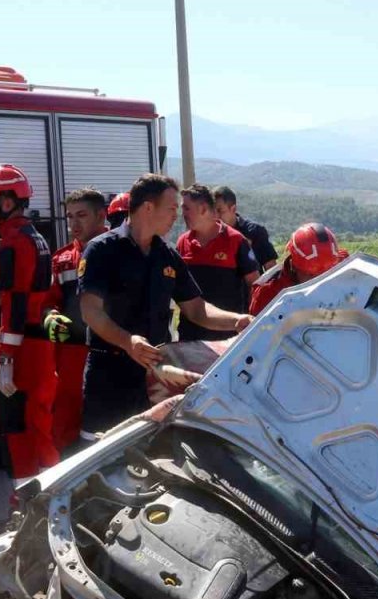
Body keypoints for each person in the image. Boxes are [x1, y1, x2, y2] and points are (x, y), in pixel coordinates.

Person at [78, 173, 253, 435]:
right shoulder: (102, 250)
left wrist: (237, 320)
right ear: (148, 207)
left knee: (149, 456)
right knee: (101, 454)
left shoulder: (167, 255)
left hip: (154, 376)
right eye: (172, 208)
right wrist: (128, 342)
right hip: (109, 373)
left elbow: (196, 309)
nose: (176, 216)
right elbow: (91, 311)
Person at [0, 164, 58, 506]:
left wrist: (6, 357)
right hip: (35, 345)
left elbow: (14, 301)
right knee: (37, 421)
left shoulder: (13, 242)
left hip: (20, 348)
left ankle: (27, 501)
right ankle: (51, 493)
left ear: (6, 202)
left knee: (15, 426)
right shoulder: (35, 237)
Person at [42, 188, 107, 452]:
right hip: (70, 358)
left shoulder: (121, 254)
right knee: (64, 431)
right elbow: (46, 305)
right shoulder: (62, 260)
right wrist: (51, 319)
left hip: (109, 353)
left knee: (109, 428)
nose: (73, 224)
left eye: (81, 215)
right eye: (69, 217)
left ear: (101, 216)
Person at [175, 184, 259, 341]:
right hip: (190, 337)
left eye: (186, 208)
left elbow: (255, 286)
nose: (182, 214)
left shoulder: (236, 241)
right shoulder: (183, 242)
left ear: (203, 209)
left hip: (229, 338)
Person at [249, 222, 349, 315]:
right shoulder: (267, 294)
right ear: (294, 265)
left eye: (325, 274)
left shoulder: (345, 265)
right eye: (311, 275)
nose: (319, 281)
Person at [213, 185, 277, 271]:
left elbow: (271, 270)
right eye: (212, 211)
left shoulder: (255, 232)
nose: (216, 216)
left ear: (233, 209)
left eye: (220, 211)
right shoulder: (209, 235)